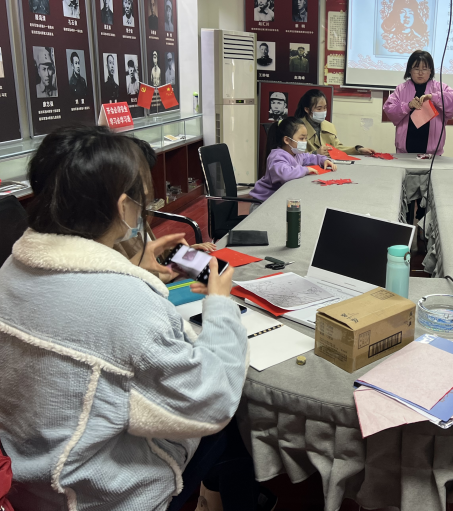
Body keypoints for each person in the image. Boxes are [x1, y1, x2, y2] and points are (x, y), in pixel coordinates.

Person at [0, 125, 274, 511]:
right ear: (124, 207)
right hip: (100, 496)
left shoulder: (10, 269)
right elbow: (211, 400)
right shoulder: (125, 302)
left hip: (30, 478)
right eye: (143, 201)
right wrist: (221, 304)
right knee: (237, 423)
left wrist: (134, 269)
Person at [115, 138, 216, 280]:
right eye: (141, 181)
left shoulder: (135, 217)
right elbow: (133, 279)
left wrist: (184, 253)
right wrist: (169, 272)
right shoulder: (113, 239)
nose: (146, 190)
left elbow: (153, 258)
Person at [383, 50, 453, 155]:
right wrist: (408, 106)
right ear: (410, 70)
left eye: (424, 69)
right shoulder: (401, 89)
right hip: (404, 151)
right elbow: (389, 109)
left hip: (432, 153)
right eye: (416, 68)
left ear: (430, 70)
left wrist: (433, 97)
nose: (420, 73)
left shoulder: (440, 87)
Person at [250, 117, 336, 203]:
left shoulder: (297, 154)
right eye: (301, 138)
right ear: (287, 140)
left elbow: (309, 157)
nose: (305, 142)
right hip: (264, 201)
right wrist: (305, 170)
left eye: (306, 138)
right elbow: (284, 174)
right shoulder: (277, 156)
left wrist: (323, 160)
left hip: (280, 197)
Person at [294, 89, 374, 156]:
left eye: (325, 108)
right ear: (307, 109)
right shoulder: (296, 128)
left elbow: (337, 147)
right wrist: (315, 153)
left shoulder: (328, 126)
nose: (323, 111)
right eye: (319, 109)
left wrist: (358, 149)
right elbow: (293, 155)